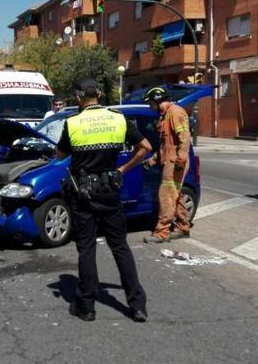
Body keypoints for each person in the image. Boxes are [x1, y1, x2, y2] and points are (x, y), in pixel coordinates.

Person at [56, 79, 150, 323]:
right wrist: (123, 169)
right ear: (99, 94)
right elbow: (145, 147)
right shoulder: (117, 118)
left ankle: (86, 307)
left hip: (83, 194)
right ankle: (137, 305)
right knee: (120, 246)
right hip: (110, 190)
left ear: (78, 98)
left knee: (87, 247)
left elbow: (60, 154)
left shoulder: (72, 122)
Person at [142, 87, 192, 244]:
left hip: (175, 162)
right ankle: (183, 226)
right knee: (175, 195)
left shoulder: (175, 112)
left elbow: (184, 136)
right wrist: (153, 159)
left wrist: (181, 158)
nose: (151, 107)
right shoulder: (166, 115)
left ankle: (162, 232)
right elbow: (166, 145)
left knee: (167, 196)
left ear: (157, 101)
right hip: (170, 159)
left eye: (151, 103)